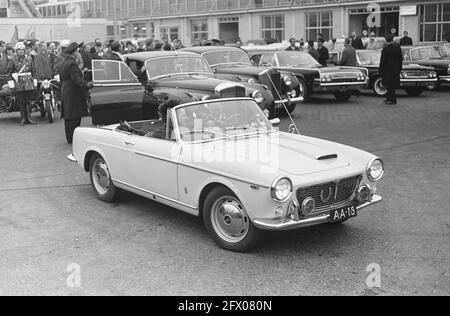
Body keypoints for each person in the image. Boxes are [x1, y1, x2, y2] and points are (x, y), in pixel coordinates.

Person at [59, 42, 93, 144]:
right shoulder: (72, 63)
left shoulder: (63, 62)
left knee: (68, 116)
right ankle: (73, 138)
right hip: (73, 92)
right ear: (74, 53)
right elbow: (76, 80)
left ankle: (69, 138)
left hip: (66, 89)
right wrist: (87, 84)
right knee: (74, 116)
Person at [8, 42, 36, 126]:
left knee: (28, 100)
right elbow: (10, 73)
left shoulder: (29, 59)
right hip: (19, 83)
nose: (21, 51)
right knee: (21, 101)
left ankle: (29, 118)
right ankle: (23, 119)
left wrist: (34, 83)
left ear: (24, 50)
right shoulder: (13, 60)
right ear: (16, 51)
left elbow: (33, 72)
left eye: (22, 50)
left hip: (28, 82)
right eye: (19, 50)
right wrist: (12, 86)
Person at [380, 34, 403, 105]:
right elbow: (400, 59)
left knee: (389, 85)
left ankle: (392, 100)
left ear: (386, 40)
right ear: (392, 40)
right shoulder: (398, 48)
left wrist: (380, 69)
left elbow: (383, 60)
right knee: (392, 85)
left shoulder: (385, 49)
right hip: (396, 68)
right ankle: (389, 98)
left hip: (387, 69)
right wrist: (399, 68)